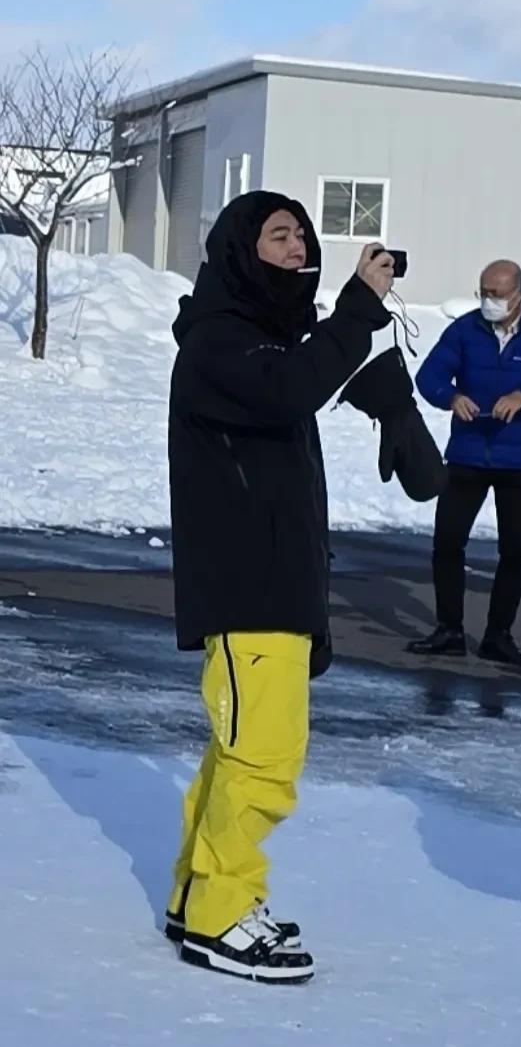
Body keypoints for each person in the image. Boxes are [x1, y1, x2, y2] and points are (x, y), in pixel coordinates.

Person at [166, 192, 395, 984]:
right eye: (278, 234)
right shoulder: (220, 343)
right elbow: (292, 387)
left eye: (301, 234)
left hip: (271, 582)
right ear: (240, 249)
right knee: (262, 758)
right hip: (248, 585)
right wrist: (360, 310)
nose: (297, 247)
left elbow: (295, 377)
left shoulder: (258, 339)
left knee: (237, 754)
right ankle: (223, 915)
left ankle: (200, 895)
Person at [407, 260, 521, 698]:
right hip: (468, 455)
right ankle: (448, 630)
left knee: (514, 552)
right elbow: (428, 375)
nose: (489, 300)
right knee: (447, 543)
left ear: (519, 294)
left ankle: (498, 636)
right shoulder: (465, 331)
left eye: (498, 293)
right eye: (484, 291)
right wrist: (451, 397)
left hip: (520, 460)